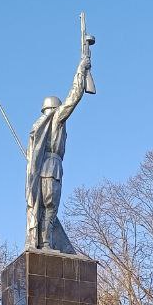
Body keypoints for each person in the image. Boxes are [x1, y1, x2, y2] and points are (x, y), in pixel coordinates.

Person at [25, 22, 94, 253]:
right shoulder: (55, 121)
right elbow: (73, 97)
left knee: (44, 207)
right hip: (52, 167)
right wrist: (81, 69)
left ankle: (44, 241)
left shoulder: (38, 129)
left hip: (45, 167)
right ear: (54, 110)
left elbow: (31, 155)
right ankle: (45, 243)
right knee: (50, 206)